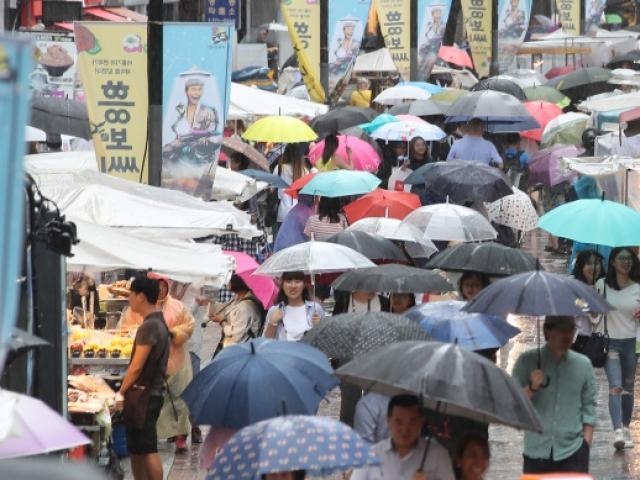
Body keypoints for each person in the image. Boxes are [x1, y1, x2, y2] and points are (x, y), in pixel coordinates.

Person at [512, 315, 596, 473]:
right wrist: (532, 387)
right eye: (561, 329)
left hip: (573, 453)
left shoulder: (583, 365)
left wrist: (585, 445)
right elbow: (514, 405)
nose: (567, 335)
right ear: (547, 330)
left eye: (571, 328)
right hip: (536, 453)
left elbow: (589, 407)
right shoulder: (527, 361)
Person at [115, 275, 170, 480]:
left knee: (147, 448)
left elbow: (136, 366)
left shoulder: (149, 326)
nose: (128, 298)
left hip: (145, 396)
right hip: (146, 395)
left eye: (130, 294)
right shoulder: (157, 321)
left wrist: (120, 392)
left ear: (140, 296)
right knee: (137, 449)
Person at [595, 247, 640, 450]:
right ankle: (617, 432)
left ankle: (626, 427)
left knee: (628, 389)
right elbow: (591, 314)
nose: (625, 262)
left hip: (632, 343)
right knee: (616, 385)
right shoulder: (601, 285)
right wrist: (596, 307)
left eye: (628, 259)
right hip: (610, 342)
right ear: (612, 262)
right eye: (621, 258)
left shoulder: (638, 287)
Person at [350, 394, 455, 480]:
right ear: (388, 420)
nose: (405, 429)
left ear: (421, 421)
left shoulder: (438, 456)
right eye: (398, 422)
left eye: (412, 422)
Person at [149, 273, 195, 454]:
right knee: (156, 401)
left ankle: (180, 436)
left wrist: (174, 334)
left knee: (179, 399)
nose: (160, 290)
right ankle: (156, 434)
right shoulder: (144, 306)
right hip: (152, 361)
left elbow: (189, 325)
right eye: (156, 286)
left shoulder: (177, 306)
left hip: (177, 359)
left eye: (163, 286)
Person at [209, 274, 264, 351]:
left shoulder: (244, 307)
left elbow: (236, 336)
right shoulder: (240, 298)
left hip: (240, 349)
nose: (227, 283)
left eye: (230, 281)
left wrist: (222, 321)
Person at [263, 271, 324, 341]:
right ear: (282, 285)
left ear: (304, 284)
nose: (293, 286)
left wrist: (319, 327)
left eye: (297, 281)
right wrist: (272, 323)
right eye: (288, 281)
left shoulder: (315, 309)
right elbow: (265, 343)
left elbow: (324, 341)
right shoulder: (274, 310)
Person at [570, 250, 605, 354]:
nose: (594, 267)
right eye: (589, 264)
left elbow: (597, 317)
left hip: (598, 339)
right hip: (577, 339)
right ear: (581, 266)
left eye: (597, 263)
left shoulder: (604, 285)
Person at [275, 143, 309, 227]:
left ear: (286, 153)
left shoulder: (280, 168)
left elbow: (272, 187)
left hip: (283, 210)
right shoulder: (305, 171)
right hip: (300, 212)